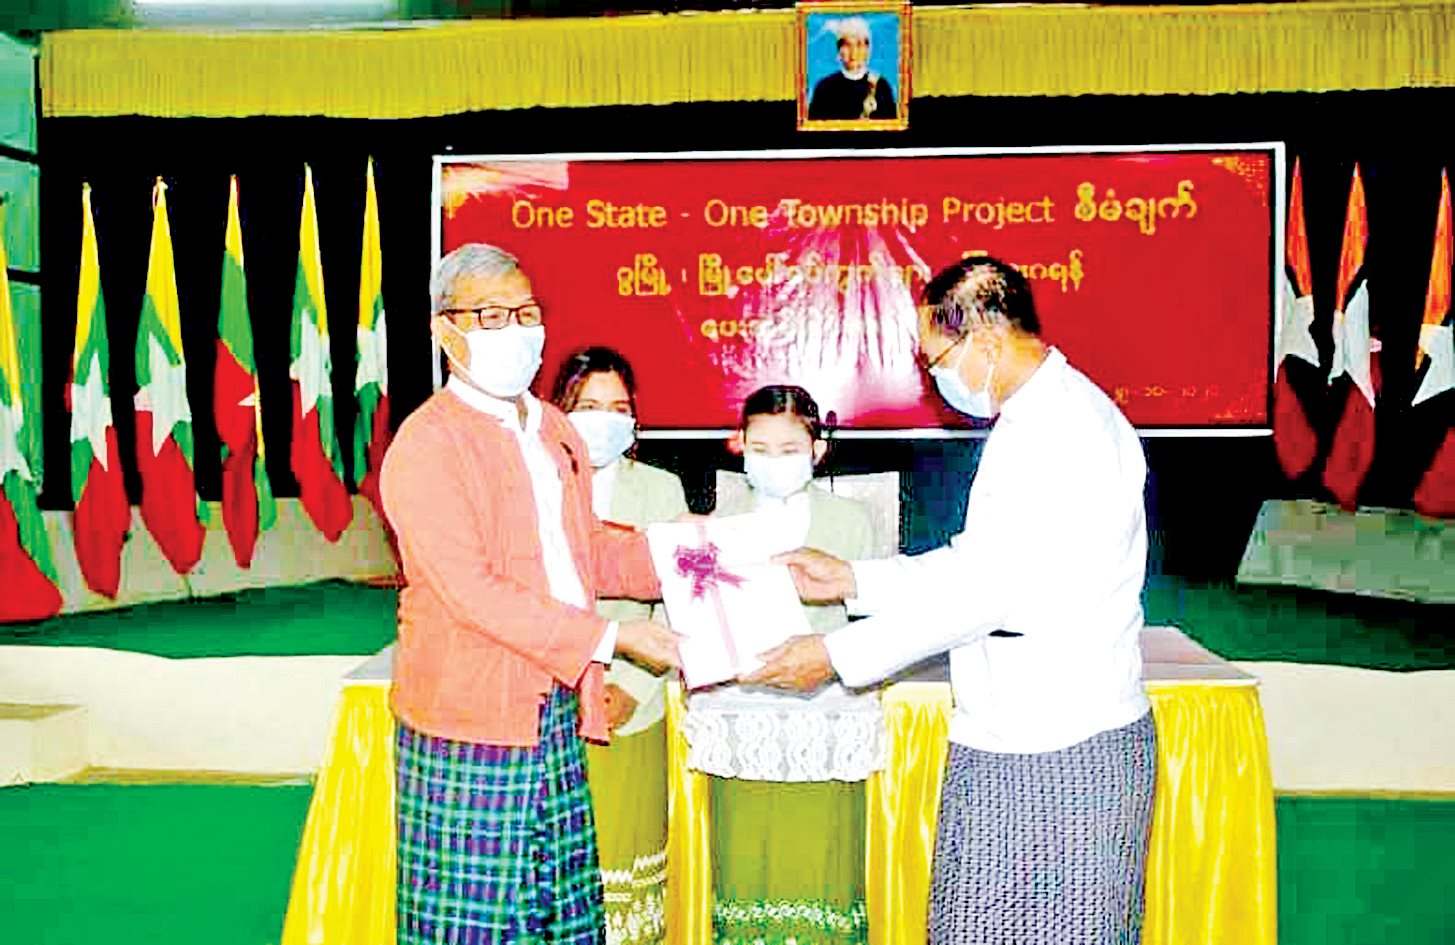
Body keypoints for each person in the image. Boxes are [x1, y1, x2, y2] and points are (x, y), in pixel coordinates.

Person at [745, 256, 1157, 945]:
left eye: (935, 358)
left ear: (988, 341)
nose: (936, 376)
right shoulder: (1030, 420)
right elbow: (978, 564)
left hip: (1063, 743)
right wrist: (854, 580)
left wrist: (836, 655)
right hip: (1012, 732)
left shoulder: (1065, 431)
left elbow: (987, 594)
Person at [381, 243, 680, 945]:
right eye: (490, 315)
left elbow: (585, 551)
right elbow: (471, 591)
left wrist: (693, 558)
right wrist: (614, 637)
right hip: (468, 723)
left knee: (560, 917)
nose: (514, 331)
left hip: (554, 710)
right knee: (471, 925)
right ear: (445, 330)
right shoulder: (427, 445)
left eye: (525, 313)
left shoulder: (553, 428)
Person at [697, 385, 878, 944]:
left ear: (816, 450)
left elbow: (873, 621)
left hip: (825, 713)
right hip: (742, 711)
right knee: (745, 857)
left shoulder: (853, 521)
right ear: (740, 447)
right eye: (761, 449)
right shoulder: (715, 522)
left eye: (789, 449)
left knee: (822, 857)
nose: (774, 461)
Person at [550, 346, 688, 945]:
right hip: (550, 705)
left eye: (618, 408)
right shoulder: (532, 486)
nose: (604, 421)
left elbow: (678, 602)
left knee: (627, 874)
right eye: (588, 406)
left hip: (634, 707)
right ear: (559, 411)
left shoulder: (661, 489)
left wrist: (631, 686)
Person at [807, 16, 897, 121]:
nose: (853, 52)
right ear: (839, 50)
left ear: (868, 49)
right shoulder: (824, 88)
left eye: (859, 45)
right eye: (847, 45)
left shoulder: (881, 87)